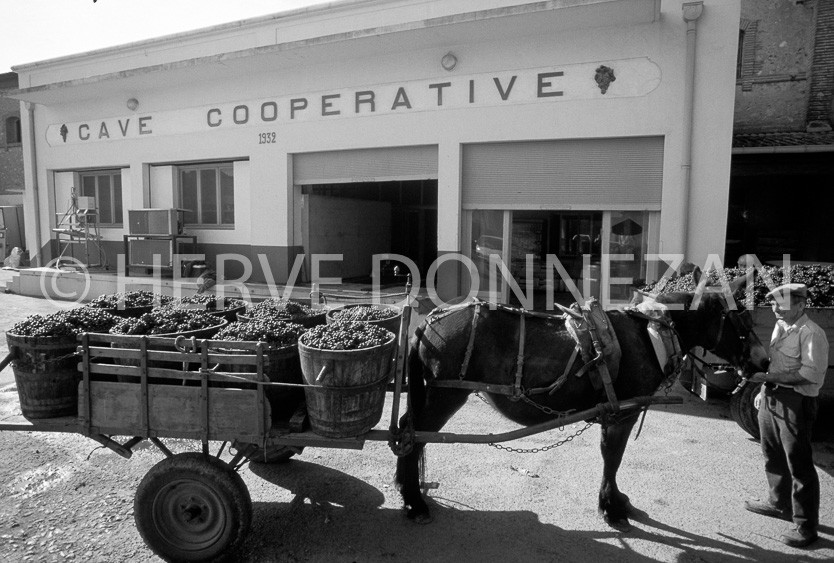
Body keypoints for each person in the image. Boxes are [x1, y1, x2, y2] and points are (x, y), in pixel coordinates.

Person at [744, 283, 828, 548]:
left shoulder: (812, 333)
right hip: (772, 396)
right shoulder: (782, 326)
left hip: (796, 401)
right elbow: (778, 363)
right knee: (771, 453)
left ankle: (806, 527)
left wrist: (769, 378)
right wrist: (764, 388)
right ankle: (778, 503)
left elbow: (809, 374)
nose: (775, 309)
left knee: (799, 465)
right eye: (773, 303)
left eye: (782, 304)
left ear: (801, 305)